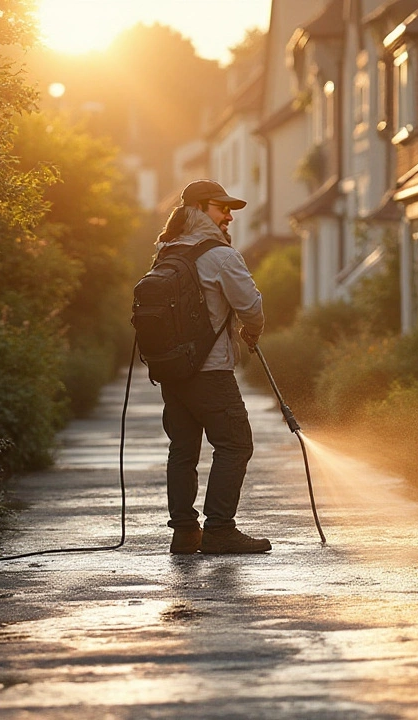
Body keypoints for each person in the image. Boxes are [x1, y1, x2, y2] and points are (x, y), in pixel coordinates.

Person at [155, 179, 269, 554]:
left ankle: (185, 533)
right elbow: (251, 307)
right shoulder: (220, 256)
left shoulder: (167, 251)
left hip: (174, 372)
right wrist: (250, 332)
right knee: (235, 443)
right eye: (222, 208)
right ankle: (220, 530)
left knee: (183, 449)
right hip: (211, 370)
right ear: (200, 209)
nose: (230, 216)